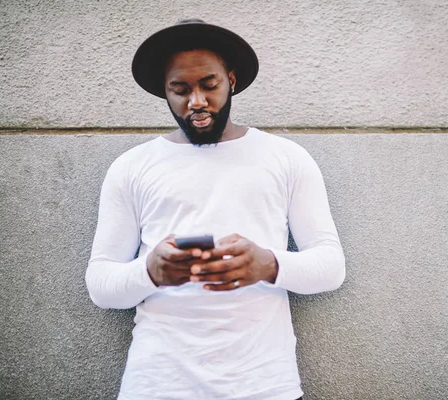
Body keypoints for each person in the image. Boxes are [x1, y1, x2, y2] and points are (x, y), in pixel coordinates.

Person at [86, 18, 345, 400]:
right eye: (180, 89)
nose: (197, 102)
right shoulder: (131, 167)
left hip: (264, 385)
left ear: (232, 81)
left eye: (210, 85)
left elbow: (331, 267)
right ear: (165, 91)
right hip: (158, 384)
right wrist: (150, 271)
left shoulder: (286, 158)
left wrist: (269, 264)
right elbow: (100, 285)